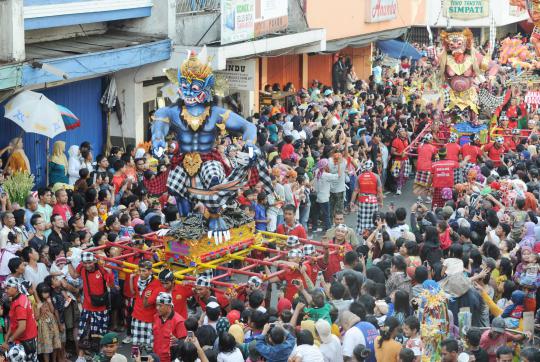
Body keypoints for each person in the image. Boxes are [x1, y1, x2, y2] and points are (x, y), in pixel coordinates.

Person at [67, 252, 114, 353]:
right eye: (85, 263)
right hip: (87, 306)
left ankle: (101, 353)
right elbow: (75, 275)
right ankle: (81, 356)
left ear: (94, 261)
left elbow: (111, 286)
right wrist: (68, 262)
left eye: (89, 262)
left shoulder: (101, 268)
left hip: (101, 307)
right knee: (83, 333)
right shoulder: (82, 266)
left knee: (100, 333)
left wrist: (109, 272)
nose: (87, 265)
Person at [2, 277, 39, 362]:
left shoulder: (19, 304)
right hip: (24, 338)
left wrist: (9, 341)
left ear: (15, 288)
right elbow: (14, 322)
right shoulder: (19, 298)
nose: (6, 290)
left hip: (26, 339)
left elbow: (22, 327)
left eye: (8, 288)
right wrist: (7, 337)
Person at [152, 292, 186, 362]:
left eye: (160, 306)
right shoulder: (156, 316)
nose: (157, 308)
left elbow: (184, 344)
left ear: (169, 306)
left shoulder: (179, 321)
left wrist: (177, 341)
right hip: (156, 357)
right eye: (157, 305)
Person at [351, 160, 383, 233]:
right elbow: (380, 191)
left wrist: (352, 202)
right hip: (373, 201)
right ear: (372, 167)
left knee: (363, 220)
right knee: (373, 220)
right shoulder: (376, 176)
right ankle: (372, 236)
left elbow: (355, 191)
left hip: (362, 201)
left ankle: (364, 237)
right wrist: (380, 202)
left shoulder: (359, 176)